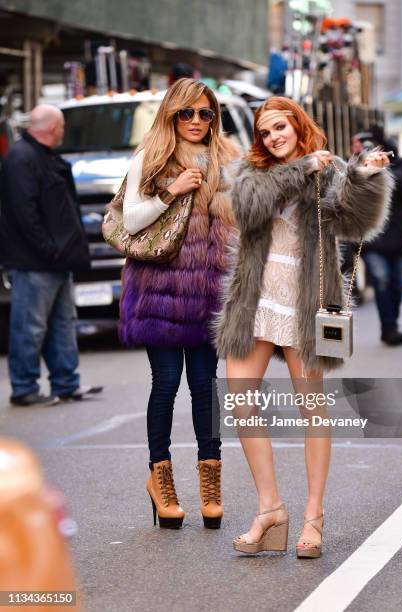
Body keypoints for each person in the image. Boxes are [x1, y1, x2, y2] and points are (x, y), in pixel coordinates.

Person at [214, 97, 392, 557]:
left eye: (280, 127)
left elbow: (356, 222)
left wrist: (364, 175)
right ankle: (269, 508)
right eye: (266, 131)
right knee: (240, 403)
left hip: (303, 301)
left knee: (312, 408)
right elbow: (250, 209)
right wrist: (298, 170)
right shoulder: (252, 174)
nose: (274, 137)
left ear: (298, 125)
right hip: (254, 300)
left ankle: (313, 516)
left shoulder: (328, 171)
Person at [119, 78, 240, 530]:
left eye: (204, 114)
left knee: (206, 387)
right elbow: (130, 220)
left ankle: (211, 482)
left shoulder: (229, 160)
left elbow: (246, 221)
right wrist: (173, 190)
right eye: (186, 113)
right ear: (171, 115)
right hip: (159, 289)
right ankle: (161, 478)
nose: (195, 122)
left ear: (214, 118)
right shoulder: (148, 158)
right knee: (166, 383)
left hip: (208, 291)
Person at [0, 105, 103, 406]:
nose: (62, 132)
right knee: (30, 327)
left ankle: (66, 383)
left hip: (56, 260)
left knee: (62, 323)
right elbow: (24, 214)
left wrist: (61, 252)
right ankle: (24, 387)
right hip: (36, 262)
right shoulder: (22, 159)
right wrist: (50, 249)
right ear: (50, 128)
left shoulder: (38, 156)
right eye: (60, 127)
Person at [362, 138, 402, 346]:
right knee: (382, 281)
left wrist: (376, 168)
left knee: (398, 285)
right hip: (373, 243)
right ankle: (389, 329)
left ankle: (391, 325)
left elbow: (398, 182)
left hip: (397, 241)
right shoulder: (364, 170)